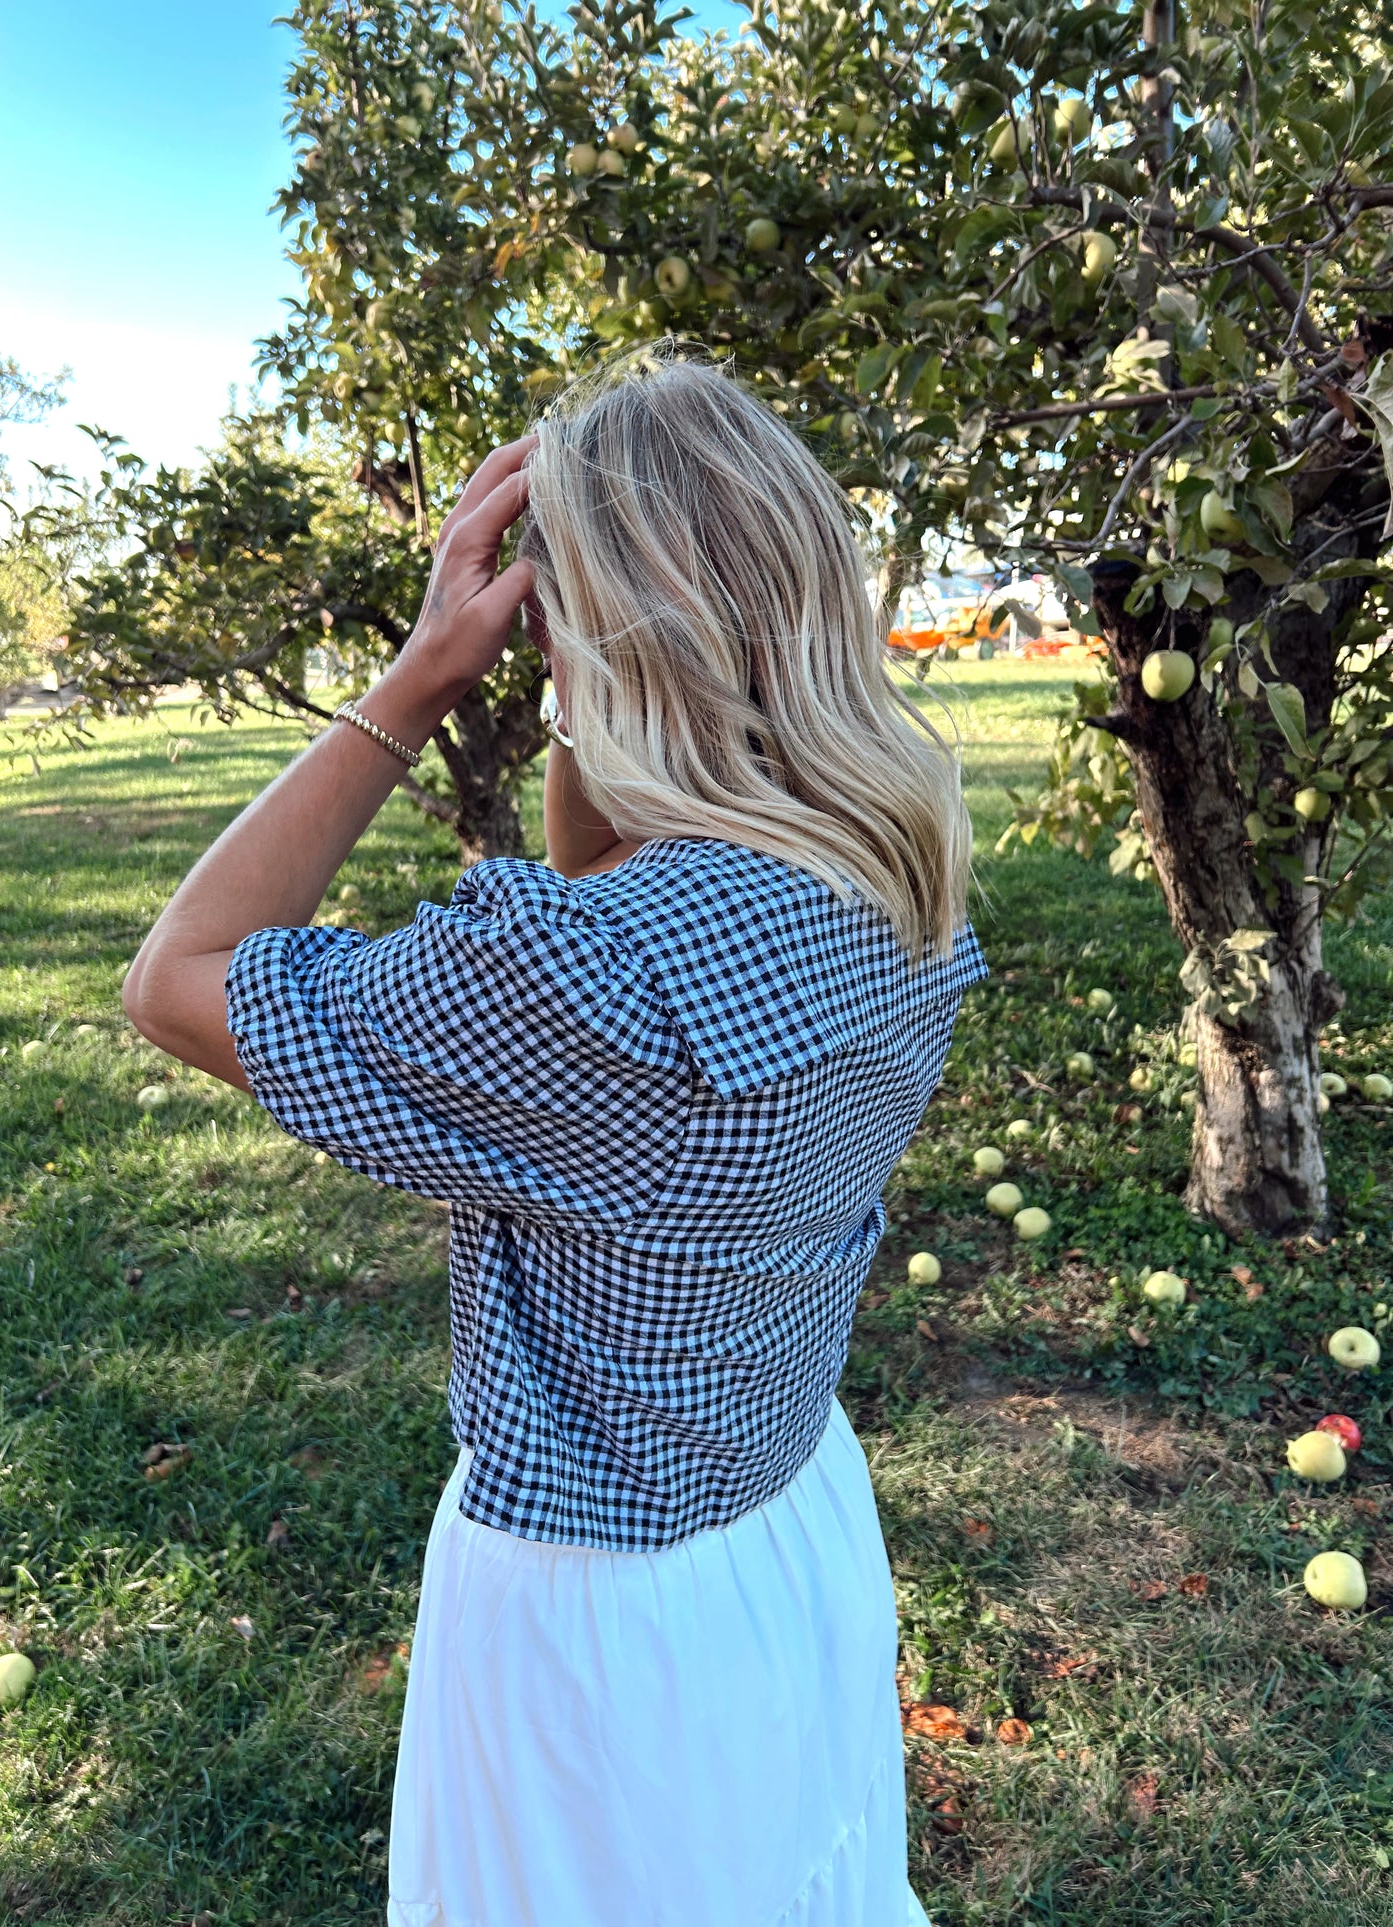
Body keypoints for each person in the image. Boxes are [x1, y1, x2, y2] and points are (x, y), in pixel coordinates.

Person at [123, 345, 985, 1927]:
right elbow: (630, 878)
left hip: (601, 1625)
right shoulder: (895, 859)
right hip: (787, 1523)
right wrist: (616, 701)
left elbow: (176, 981)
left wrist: (414, 686)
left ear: (577, 630)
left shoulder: (581, 978)